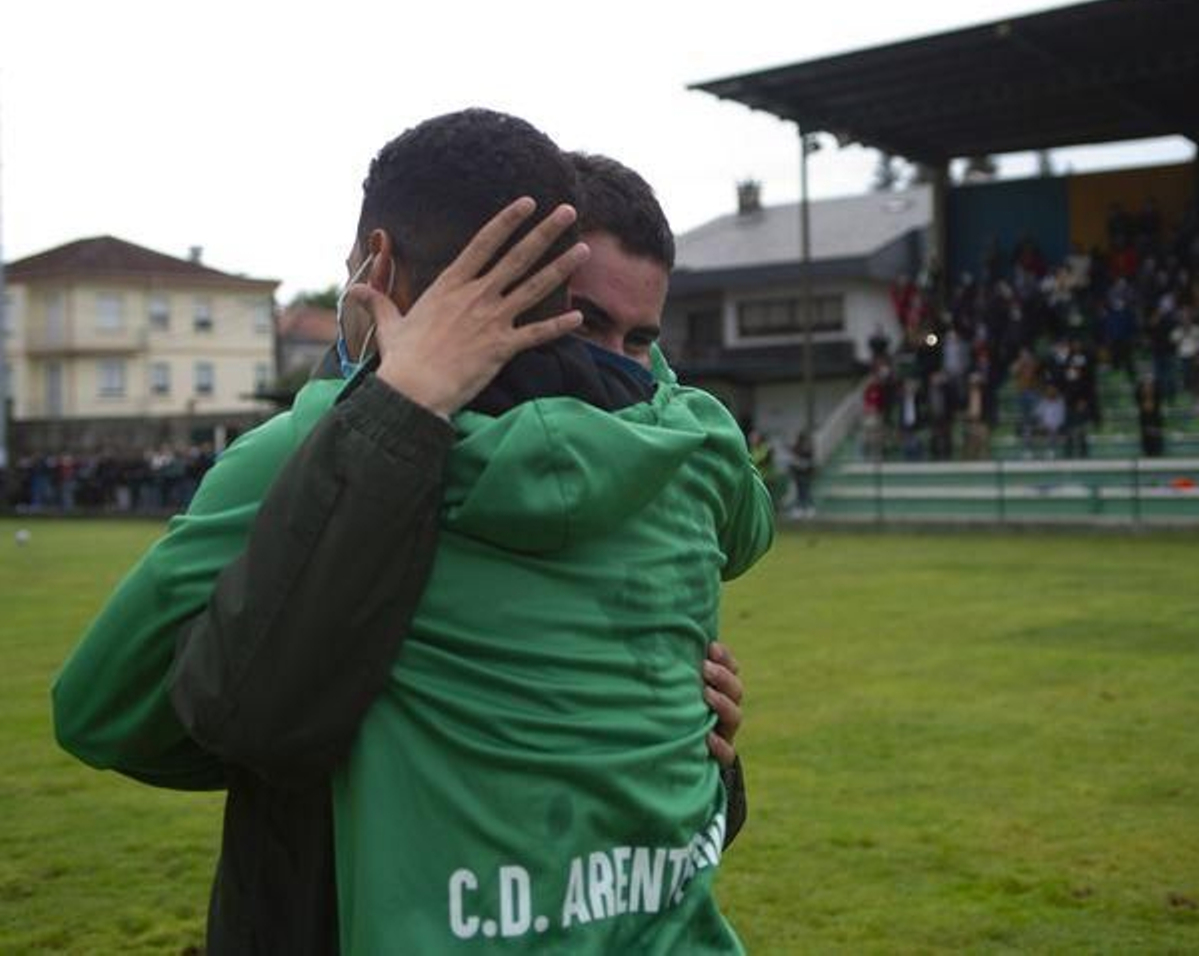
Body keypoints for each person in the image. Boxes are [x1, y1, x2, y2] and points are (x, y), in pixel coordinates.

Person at [56, 109, 774, 953]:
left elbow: (102, 714)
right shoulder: (685, 447)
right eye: (581, 326)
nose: (610, 370)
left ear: (376, 265)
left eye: (640, 344)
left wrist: (685, 750)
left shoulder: (309, 444)